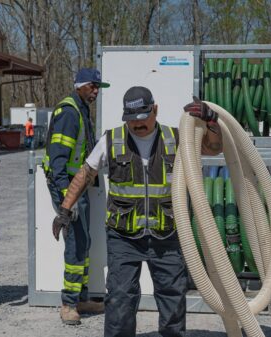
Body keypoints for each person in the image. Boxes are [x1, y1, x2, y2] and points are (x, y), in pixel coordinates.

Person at [52, 86, 222, 337]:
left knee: (173, 298)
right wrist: (65, 209)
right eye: (131, 120)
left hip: (167, 234)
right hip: (123, 237)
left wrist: (211, 121)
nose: (137, 124)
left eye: (142, 118)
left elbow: (213, 147)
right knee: (120, 298)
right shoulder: (112, 139)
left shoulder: (177, 138)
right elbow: (85, 173)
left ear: (155, 110)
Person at [42, 68, 110, 325]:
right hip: (67, 187)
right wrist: (64, 201)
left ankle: (80, 297)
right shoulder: (69, 112)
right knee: (75, 243)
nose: (95, 91)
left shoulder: (81, 109)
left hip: (78, 186)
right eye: (93, 86)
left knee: (84, 241)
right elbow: (58, 159)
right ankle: (69, 303)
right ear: (80, 85)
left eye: (98, 88)